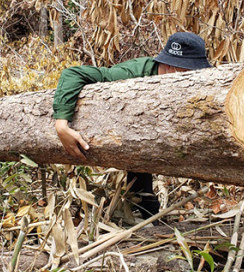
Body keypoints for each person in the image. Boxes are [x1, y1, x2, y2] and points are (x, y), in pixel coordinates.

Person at [53, 32, 213, 219]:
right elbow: (72, 74)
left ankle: (143, 204)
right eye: (191, 73)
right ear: (171, 68)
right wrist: (62, 126)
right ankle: (143, 204)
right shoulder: (131, 75)